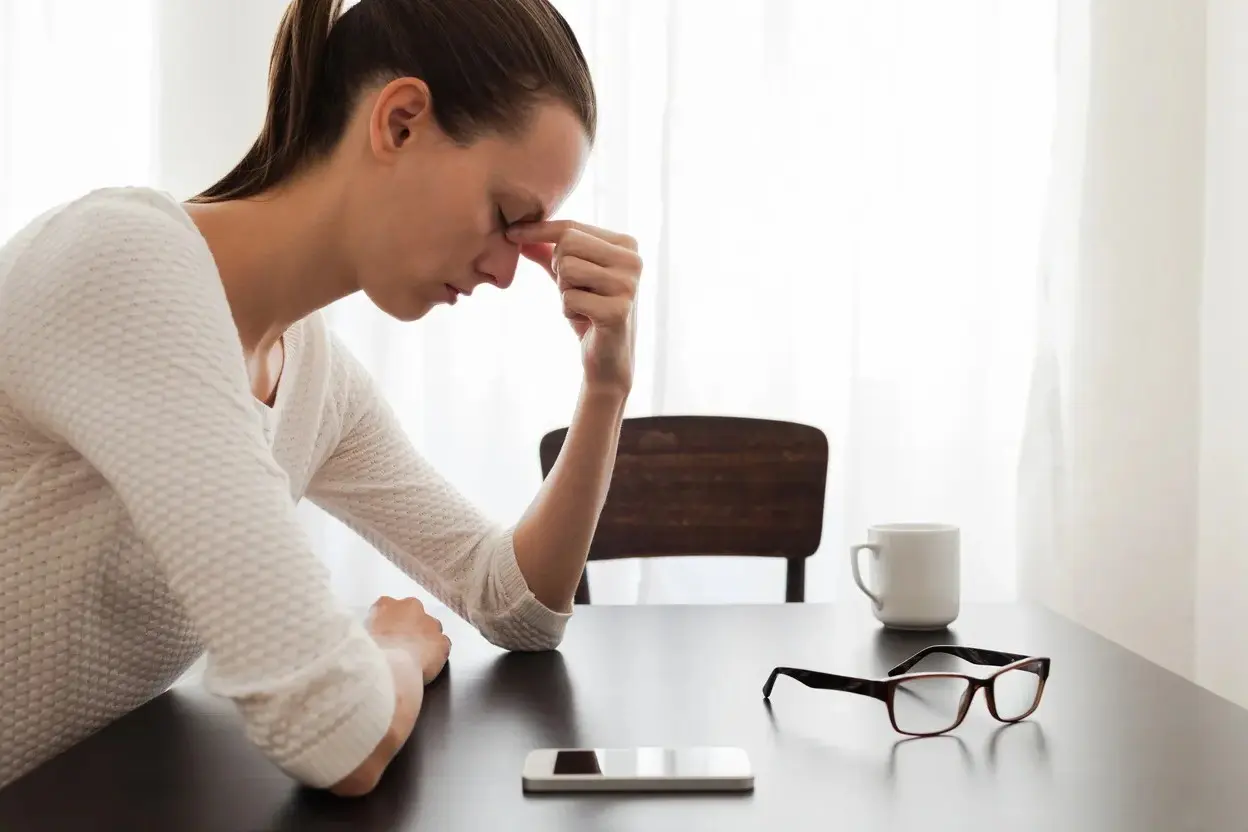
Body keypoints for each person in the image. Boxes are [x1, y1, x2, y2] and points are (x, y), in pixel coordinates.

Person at [0, 0, 641, 795]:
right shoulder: (126, 266)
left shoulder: (313, 379)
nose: (507, 273)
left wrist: (605, 387)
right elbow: (333, 730)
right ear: (399, 121)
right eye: (506, 218)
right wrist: (394, 650)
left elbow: (517, 607)